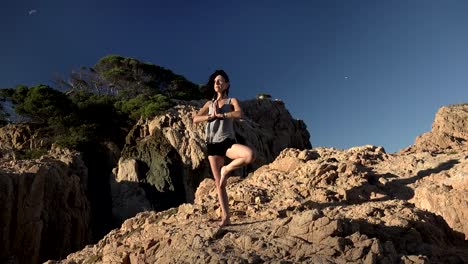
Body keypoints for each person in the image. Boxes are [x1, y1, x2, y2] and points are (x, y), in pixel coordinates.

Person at [193, 70, 255, 227]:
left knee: (249, 155)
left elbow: (239, 113)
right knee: (219, 184)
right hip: (212, 144)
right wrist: (210, 117)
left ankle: (226, 169)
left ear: (227, 84)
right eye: (215, 81)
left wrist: (223, 116)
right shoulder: (209, 104)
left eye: (220, 81)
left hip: (227, 142)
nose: (217, 83)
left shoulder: (231, 100)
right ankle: (225, 218)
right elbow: (195, 119)